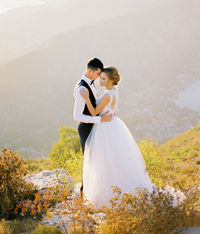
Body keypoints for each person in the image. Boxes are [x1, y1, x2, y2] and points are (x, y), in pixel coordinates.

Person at [80, 66, 185, 208]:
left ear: (111, 80)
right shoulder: (114, 91)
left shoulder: (106, 96)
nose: (100, 80)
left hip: (104, 128)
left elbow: (93, 113)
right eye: (101, 77)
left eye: (103, 78)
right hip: (113, 125)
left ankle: (108, 192)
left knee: (105, 158)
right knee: (115, 158)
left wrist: (86, 97)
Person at [73, 58, 113, 195]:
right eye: (98, 74)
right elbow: (77, 116)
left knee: (97, 159)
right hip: (86, 128)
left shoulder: (90, 84)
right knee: (89, 160)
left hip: (94, 127)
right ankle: (85, 192)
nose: (99, 77)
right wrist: (99, 119)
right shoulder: (82, 88)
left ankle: (97, 189)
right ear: (91, 71)